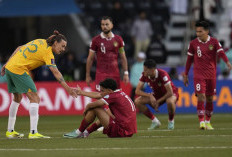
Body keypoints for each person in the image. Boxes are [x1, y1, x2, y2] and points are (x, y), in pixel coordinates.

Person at [1, 30, 78, 139]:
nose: (63, 49)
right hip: (19, 69)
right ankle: (33, 132)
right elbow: (55, 72)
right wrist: (68, 89)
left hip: (11, 67)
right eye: (62, 46)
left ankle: (10, 131)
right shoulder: (48, 53)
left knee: (17, 98)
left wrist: (7, 63)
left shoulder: (40, 41)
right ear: (55, 43)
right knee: (35, 98)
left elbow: (19, 48)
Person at [183, 21, 232, 130]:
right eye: (197, 31)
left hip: (211, 75)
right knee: (201, 96)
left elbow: (221, 53)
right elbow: (189, 60)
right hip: (199, 75)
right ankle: (201, 122)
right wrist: (185, 74)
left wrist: (227, 62)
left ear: (207, 31)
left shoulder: (214, 42)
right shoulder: (193, 44)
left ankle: (208, 121)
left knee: (210, 98)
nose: (198, 34)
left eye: (200, 31)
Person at [63, 78, 137, 138]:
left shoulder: (113, 96)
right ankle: (86, 132)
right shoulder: (118, 93)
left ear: (109, 91)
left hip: (121, 131)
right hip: (128, 131)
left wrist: (86, 109)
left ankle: (79, 132)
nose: (101, 92)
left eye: (102, 90)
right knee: (107, 111)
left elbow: (93, 104)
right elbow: (98, 95)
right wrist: (81, 92)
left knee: (96, 108)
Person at [86, 16, 129, 90]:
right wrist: (87, 75)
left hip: (115, 75)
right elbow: (90, 59)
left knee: (115, 98)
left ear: (112, 25)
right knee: (101, 98)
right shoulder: (95, 40)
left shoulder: (118, 39)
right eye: (102, 24)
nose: (104, 26)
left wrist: (126, 73)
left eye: (107, 24)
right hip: (101, 75)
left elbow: (123, 57)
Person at [134, 59, 178, 130]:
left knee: (169, 102)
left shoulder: (162, 74)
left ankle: (171, 120)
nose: (144, 72)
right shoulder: (144, 75)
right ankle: (155, 121)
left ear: (152, 70)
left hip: (171, 93)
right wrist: (150, 95)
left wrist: (158, 101)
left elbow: (170, 92)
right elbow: (137, 91)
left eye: (146, 70)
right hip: (157, 94)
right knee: (137, 101)